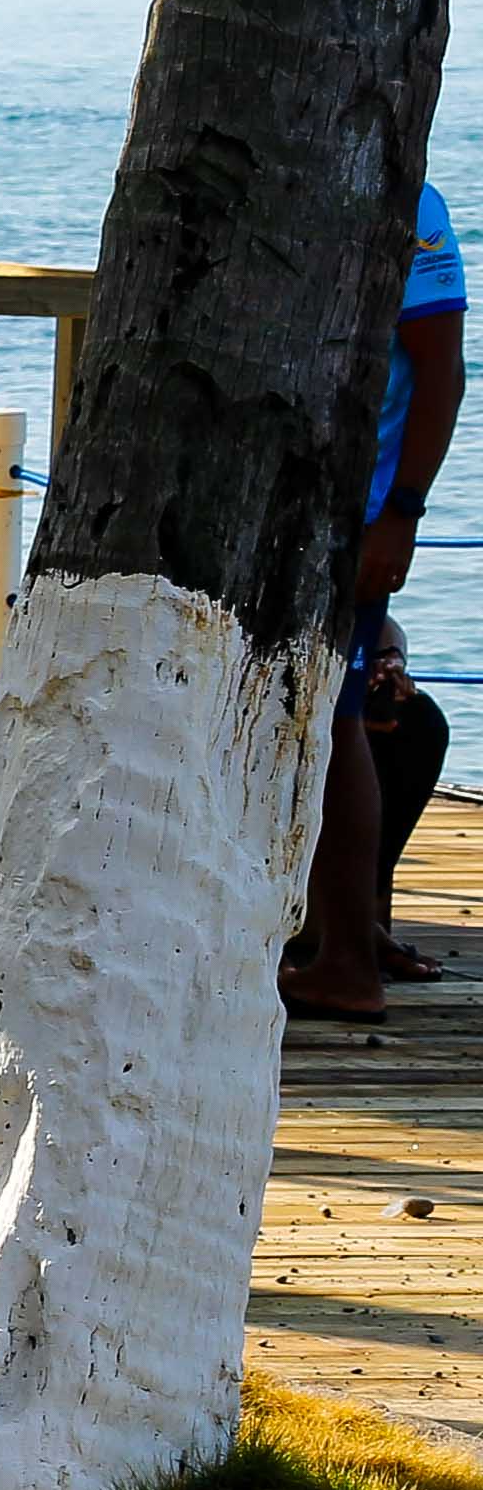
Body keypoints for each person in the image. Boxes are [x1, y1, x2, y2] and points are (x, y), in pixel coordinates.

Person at [295, 177, 461, 1021]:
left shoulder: (408, 203)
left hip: (349, 517)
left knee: (339, 721)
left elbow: (442, 370)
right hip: (271, 505)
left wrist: (400, 515)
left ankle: (349, 959)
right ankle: (336, 939)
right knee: (325, 718)